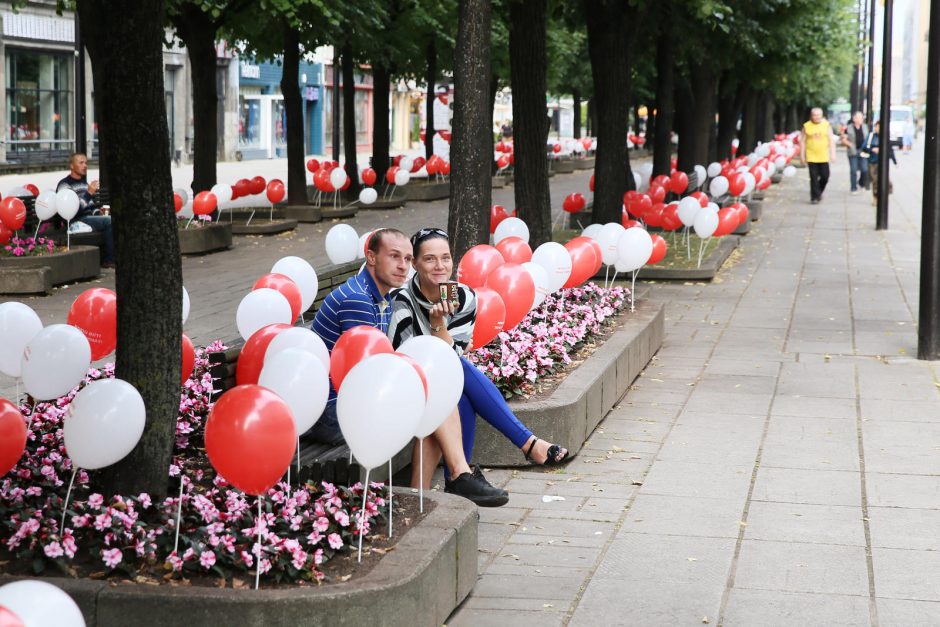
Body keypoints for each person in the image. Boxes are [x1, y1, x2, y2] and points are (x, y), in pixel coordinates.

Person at [309, 227, 509, 507]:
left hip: (350, 401)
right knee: (437, 393)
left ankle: (425, 492)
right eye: (394, 257)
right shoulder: (359, 300)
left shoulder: (381, 295)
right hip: (334, 413)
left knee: (438, 392)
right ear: (371, 257)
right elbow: (365, 376)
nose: (403, 266)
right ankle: (457, 475)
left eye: (406, 258)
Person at [388, 228, 569, 489]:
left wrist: (440, 327)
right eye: (429, 259)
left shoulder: (463, 297)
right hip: (408, 385)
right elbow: (409, 361)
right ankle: (525, 444)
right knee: (457, 375)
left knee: (460, 391)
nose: (440, 266)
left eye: (446, 258)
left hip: (443, 387)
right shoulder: (401, 300)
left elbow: (451, 363)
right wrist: (438, 325)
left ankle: (460, 478)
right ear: (414, 263)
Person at [56, 153, 115, 268]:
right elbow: (72, 212)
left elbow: (90, 207)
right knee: (109, 221)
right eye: (81, 163)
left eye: (86, 163)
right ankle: (109, 260)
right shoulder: (64, 185)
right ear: (72, 166)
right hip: (76, 220)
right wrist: (88, 194)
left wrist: (99, 212)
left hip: (87, 218)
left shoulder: (83, 183)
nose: (85, 166)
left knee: (111, 219)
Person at [799, 107, 836, 205]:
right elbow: (802, 142)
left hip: (823, 156)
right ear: (811, 116)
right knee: (813, 177)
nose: (816, 117)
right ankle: (814, 197)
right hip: (811, 155)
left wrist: (833, 154)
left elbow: (831, 140)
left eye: (818, 115)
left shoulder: (826, 125)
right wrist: (802, 156)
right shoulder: (806, 126)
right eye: (814, 115)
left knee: (825, 176)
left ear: (822, 115)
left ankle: (819, 191)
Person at [862, 120, 897, 205]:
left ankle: (882, 195)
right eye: (876, 126)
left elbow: (890, 150)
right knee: (875, 180)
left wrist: (895, 161)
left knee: (885, 179)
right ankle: (875, 197)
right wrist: (872, 149)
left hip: (883, 162)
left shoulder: (886, 137)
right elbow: (864, 147)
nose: (877, 128)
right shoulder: (871, 136)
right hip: (872, 161)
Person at [840, 111, 869, 194]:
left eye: (862, 117)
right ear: (854, 119)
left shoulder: (865, 127)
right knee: (853, 170)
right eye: (859, 118)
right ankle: (853, 188)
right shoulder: (848, 128)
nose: (861, 119)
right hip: (853, 151)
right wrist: (849, 144)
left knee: (865, 169)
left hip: (863, 150)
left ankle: (861, 183)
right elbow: (843, 139)